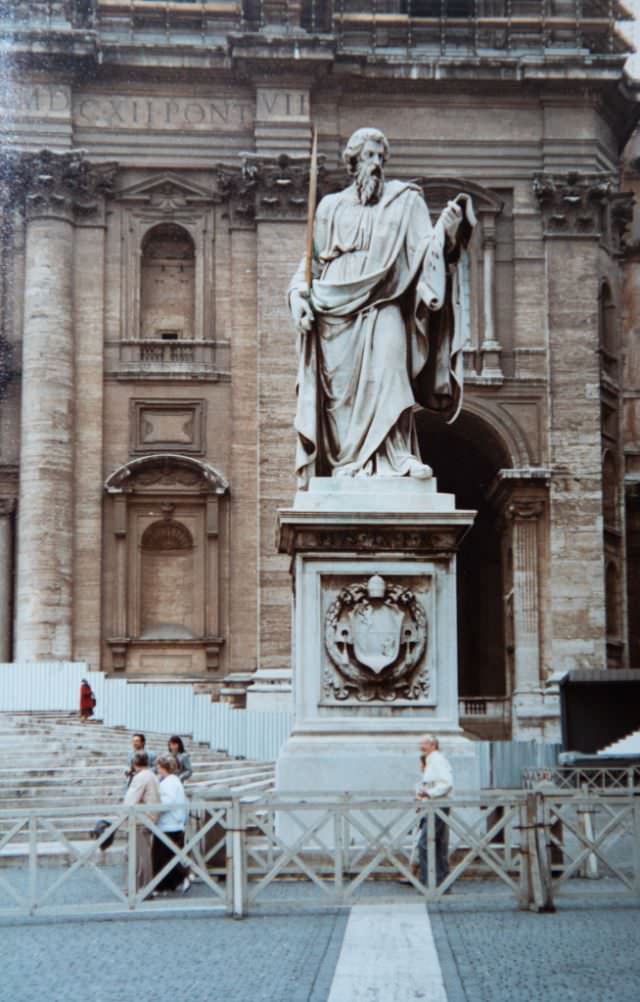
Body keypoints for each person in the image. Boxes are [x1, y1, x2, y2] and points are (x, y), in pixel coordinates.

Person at [288, 126, 475, 488]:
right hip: (335, 311)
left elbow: (426, 251)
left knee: (390, 371)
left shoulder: (406, 201)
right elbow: (310, 265)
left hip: (387, 301)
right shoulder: (330, 206)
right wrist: (297, 295)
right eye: (368, 156)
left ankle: (395, 456)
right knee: (341, 395)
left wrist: (449, 234)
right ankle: (349, 462)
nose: (376, 164)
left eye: (380, 157)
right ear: (352, 161)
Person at [416, 734, 453, 888]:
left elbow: (447, 783)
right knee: (438, 845)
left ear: (433, 745)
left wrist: (429, 793)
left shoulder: (437, 760)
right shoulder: (432, 760)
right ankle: (442, 880)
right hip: (433, 805)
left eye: (423, 744)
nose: (420, 747)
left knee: (424, 844)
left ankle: (429, 881)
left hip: (437, 805)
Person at [152, 755, 190, 895]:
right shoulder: (175, 781)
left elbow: (167, 803)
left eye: (158, 767)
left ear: (163, 768)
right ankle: (174, 883)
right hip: (176, 823)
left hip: (168, 824)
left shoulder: (168, 783)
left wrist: (154, 807)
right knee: (171, 855)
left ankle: (166, 884)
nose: (157, 769)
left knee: (162, 857)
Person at [123, 750, 161, 893]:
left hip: (140, 819)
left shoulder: (140, 778)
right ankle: (143, 887)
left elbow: (130, 801)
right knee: (142, 854)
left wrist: (121, 816)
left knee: (139, 855)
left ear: (134, 763)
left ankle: (142, 888)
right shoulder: (152, 775)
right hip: (151, 817)